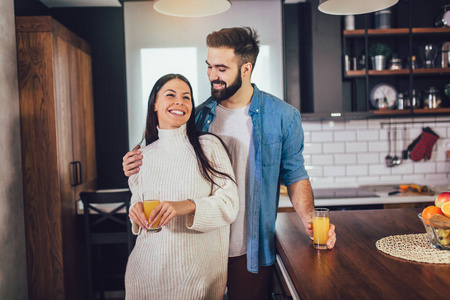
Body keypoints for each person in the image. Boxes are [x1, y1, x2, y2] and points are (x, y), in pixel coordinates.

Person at [123, 27, 336, 300]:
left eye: (221, 68)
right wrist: (134, 163)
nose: (212, 75)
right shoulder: (197, 116)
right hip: (199, 246)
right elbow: (165, 155)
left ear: (246, 68)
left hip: (250, 249)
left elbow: (295, 174)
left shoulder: (283, 116)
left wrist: (310, 220)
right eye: (209, 66)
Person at [124, 74, 239, 300]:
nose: (180, 101)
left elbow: (230, 204)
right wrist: (135, 210)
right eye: (170, 95)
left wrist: (186, 206)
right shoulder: (141, 157)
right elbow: (137, 202)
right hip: (145, 276)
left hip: (195, 279)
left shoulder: (209, 146)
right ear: (154, 104)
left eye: (186, 97)